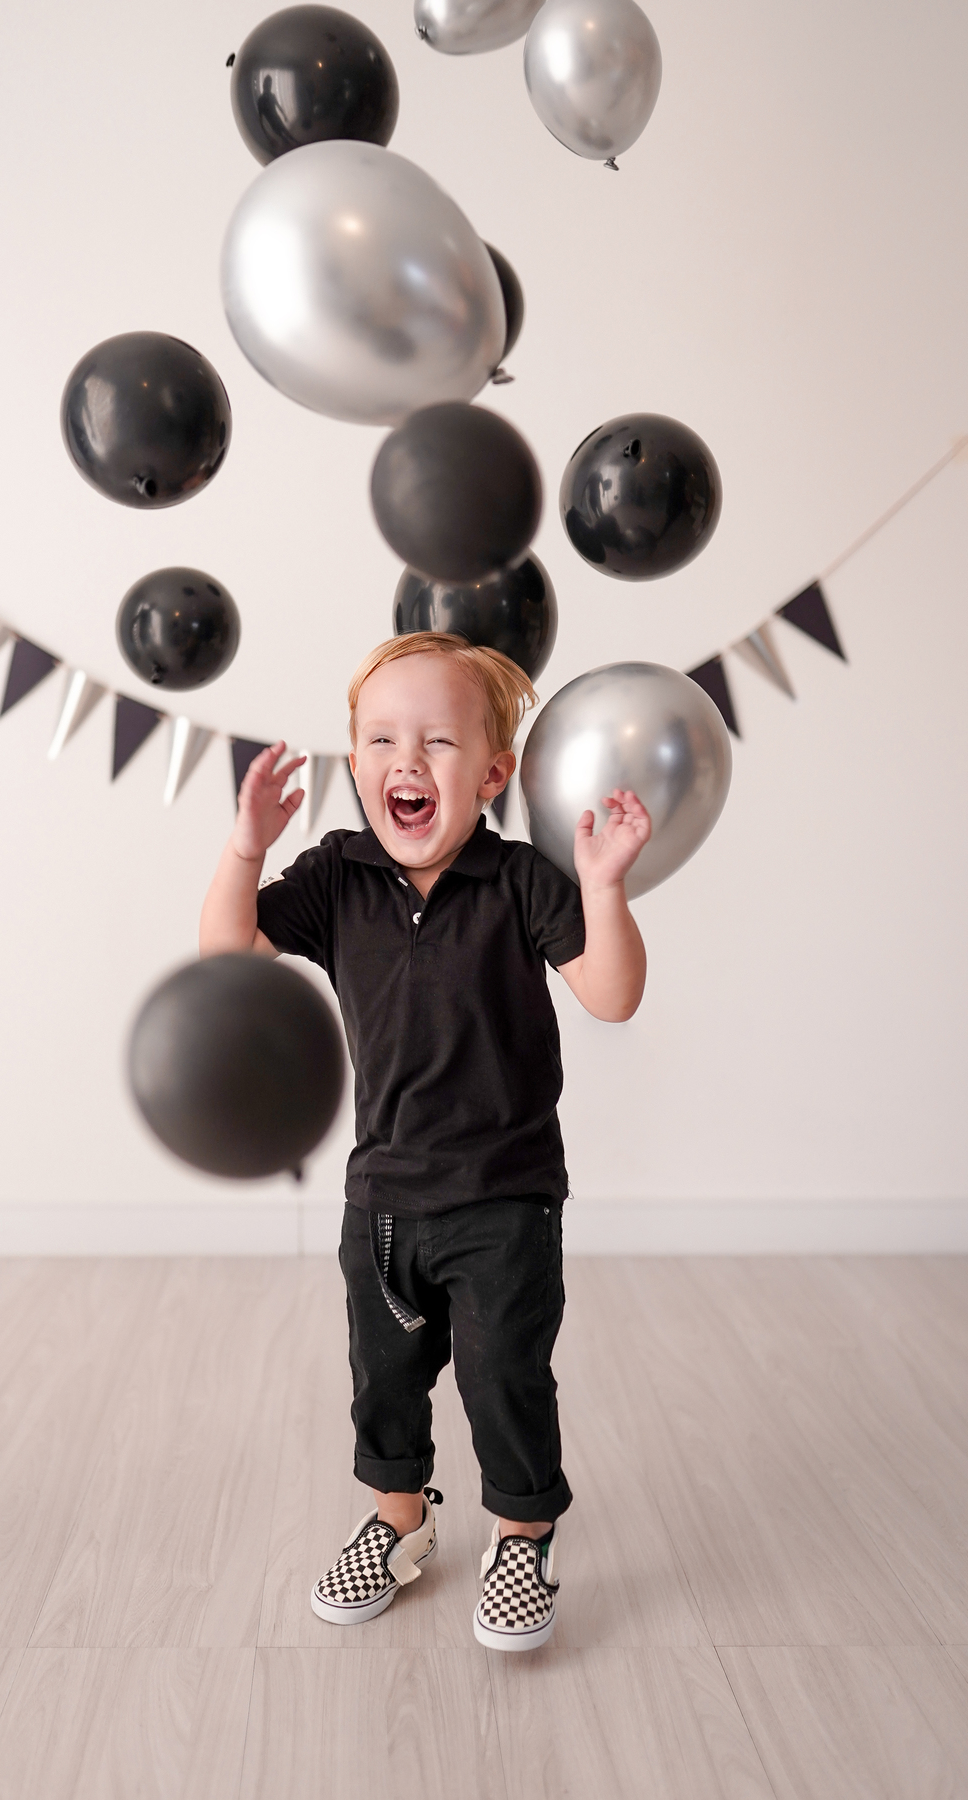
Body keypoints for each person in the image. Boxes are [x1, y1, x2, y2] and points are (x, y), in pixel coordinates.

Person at [198, 632, 650, 1651]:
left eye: (439, 741)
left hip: (506, 1198)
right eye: (381, 739)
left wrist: (605, 886)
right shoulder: (338, 875)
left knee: (504, 1377)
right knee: (385, 1380)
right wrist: (247, 848)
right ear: (357, 762)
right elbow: (228, 956)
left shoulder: (521, 880)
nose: (406, 759)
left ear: (492, 773)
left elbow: (613, 995)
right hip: (384, 1197)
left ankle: (523, 1538)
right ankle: (399, 1524)